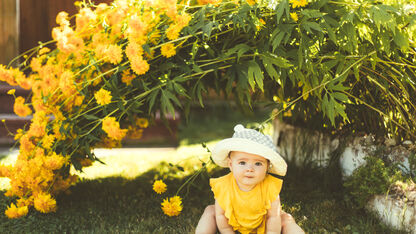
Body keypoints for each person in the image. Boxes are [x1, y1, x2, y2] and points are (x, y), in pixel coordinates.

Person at [195, 124, 304, 234]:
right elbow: (221, 215)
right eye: (242, 162)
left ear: (267, 167)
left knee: (285, 218)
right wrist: (228, 231)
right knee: (210, 211)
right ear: (231, 165)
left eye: (258, 163)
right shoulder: (223, 185)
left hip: (264, 224)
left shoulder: (270, 186)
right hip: (232, 223)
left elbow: (273, 217)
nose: (250, 169)